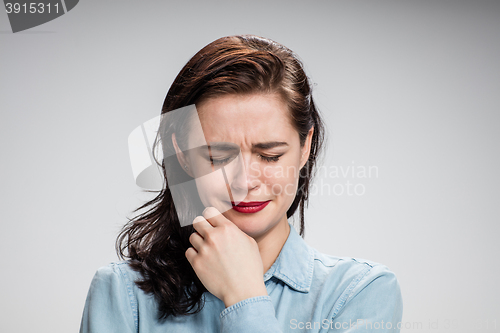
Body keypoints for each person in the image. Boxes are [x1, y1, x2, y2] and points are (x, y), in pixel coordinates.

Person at [79, 34, 403, 333]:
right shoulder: (122, 294)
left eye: (270, 155)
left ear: (305, 147)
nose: (244, 182)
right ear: (183, 155)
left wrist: (244, 295)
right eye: (218, 158)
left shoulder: (359, 293)